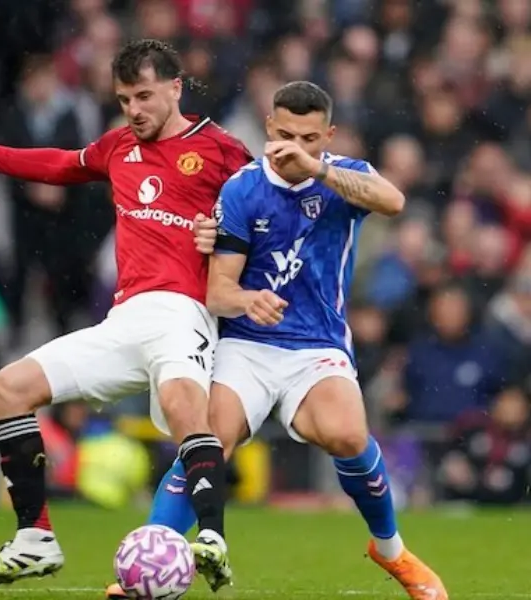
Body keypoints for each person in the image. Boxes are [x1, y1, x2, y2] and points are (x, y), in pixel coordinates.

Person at [0, 39, 252, 591]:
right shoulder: (118, 147)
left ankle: (212, 539)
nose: (134, 110)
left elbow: (265, 216)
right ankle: (35, 539)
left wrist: (227, 238)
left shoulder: (222, 150)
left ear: (175, 88)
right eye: (124, 100)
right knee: (5, 389)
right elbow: (57, 165)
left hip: (183, 313)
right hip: (123, 320)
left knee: (184, 408)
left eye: (144, 96)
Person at [106, 81, 448, 600]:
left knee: (348, 435)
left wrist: (318, 170)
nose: (294, 147)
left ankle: (391, 550)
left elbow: (394, 201)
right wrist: (247, 300)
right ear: (269, 127)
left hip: (317, 344)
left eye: (309, 139)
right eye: (285, 135)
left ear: (328, 136)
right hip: (247, 345)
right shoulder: (243, 189)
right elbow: (219, 291)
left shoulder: (345, 177)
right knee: (208, 440)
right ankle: (147, 563)